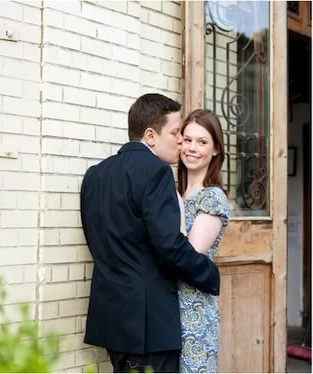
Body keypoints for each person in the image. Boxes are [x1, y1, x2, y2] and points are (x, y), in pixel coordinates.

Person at [80, 93, 220, 373]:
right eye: (175, 132)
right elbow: (169, 245)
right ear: (150, 136)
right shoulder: (156, 172)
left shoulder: (94, 175)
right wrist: (209, 273)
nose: (180, 140)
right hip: (147, 324)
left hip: (110, 318)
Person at [176, 109, 230, 373]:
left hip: (194, 311)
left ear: (216, 149)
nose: (192, 148)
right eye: (187, 140)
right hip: (167, 307)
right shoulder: (177, 193)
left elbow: (190, 255)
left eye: (202, 141)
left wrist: (173, 205)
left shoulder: (213, 198)